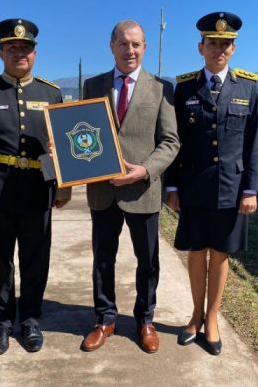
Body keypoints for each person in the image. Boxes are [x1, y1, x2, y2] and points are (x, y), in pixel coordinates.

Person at [0, 18, 71, 356]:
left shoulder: (51, 94)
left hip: (38, 190)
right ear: (1, 52)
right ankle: (1, 322)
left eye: (25, 48)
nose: (19, 53)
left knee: (36, 260)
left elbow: (64, 145)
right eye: (13, 48)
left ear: (34, 53)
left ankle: (31, 319)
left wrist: (63, 187)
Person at [165, 11, 258, 355]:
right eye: (212, 43)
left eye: (225, 44)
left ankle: (212, 317)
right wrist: (172, 186)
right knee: (196, 251)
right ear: (200, 47)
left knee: (220, 253)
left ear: (233, 49)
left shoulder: (248, 87)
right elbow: (174, 140)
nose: (218, 49)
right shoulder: (184, 87)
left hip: (231, 188)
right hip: (193, 186)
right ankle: (193, 315)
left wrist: (251, 189)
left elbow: (253, 143)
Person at [80, 20, 179, 354]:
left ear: (145, 47)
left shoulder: (161, 88)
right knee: (102, 260)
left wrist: (144, 171)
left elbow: (170, 141)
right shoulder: (92, 85)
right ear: (111, 46)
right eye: (123, 44)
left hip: (143, 191)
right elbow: (83, 133)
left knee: (148, 261)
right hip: (103, 190)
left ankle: (145, 319)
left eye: (136, 44)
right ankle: (105, 319)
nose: (130, 50)